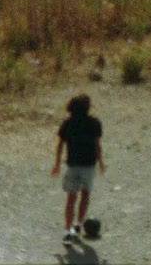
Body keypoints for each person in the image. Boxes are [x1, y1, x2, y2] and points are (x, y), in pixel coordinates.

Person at [51, 94, 106, 246]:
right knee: (85, 195)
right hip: (89, 165)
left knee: (71, 199)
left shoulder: (68, 124)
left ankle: (68, 231)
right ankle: (79, 224)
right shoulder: (94, 123)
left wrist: (57, 164)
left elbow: (60, 145)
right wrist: (101, 162)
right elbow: (97, 145)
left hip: (73, 165)